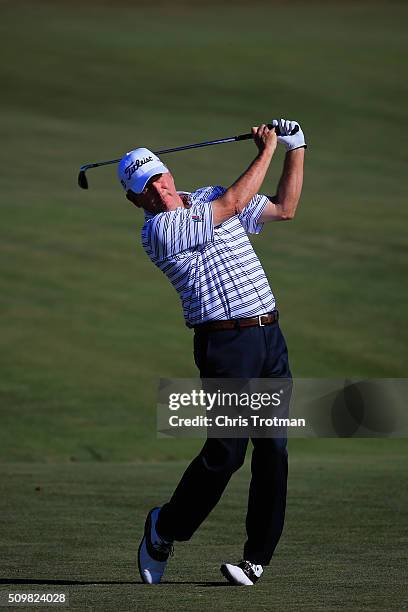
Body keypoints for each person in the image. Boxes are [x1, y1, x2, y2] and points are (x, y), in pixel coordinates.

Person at [118, 119, 306, 586]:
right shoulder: (160, 231)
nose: (158, 190)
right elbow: (234, 203)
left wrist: (295, 146)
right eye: (146, 188)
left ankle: (256, 558)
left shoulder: (206, 196)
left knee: (273, 450)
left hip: (268, 337)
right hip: (226, 345)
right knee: (226, 453)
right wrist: (266, 148)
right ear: (135, 199)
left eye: (159, 178)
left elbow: (284, 209)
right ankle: (165, 528)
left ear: (168, 174)